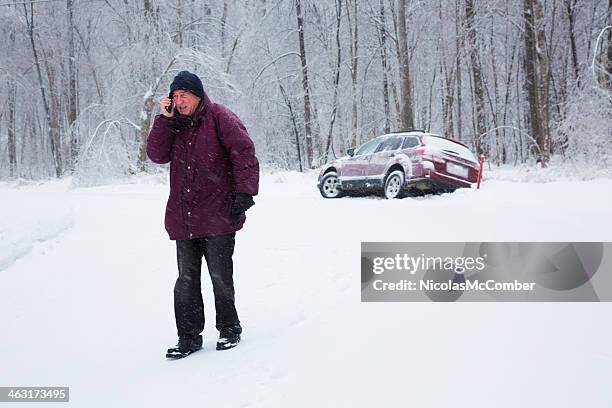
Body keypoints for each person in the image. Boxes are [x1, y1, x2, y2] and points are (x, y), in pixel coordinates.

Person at [147, 71, 259, 359]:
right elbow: (156, 155)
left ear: (198, 95)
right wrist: (164, 120)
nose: (180, 101)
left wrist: (244, 193)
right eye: (175, 96)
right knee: (186, 279)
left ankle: (229, 328)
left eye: (184, 95)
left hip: (219, 214)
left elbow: (244, 153)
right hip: (184, 218)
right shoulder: (174, 125)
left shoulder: (221, 117)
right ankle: (188, 337)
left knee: (220, 275)